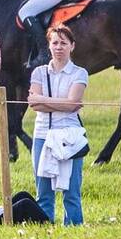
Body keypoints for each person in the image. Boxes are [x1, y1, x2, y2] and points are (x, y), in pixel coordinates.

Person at [27, 24, 88, 226]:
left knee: (71, 190)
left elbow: (73, 105)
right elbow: (35, 105)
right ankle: (45, 226)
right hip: (43, 134)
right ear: (49, 46)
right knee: (43, 189)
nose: (59, 47)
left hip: (70, 136)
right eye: (55, 42)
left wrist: (45, 100)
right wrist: (64, 103)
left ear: (72, 46)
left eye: (63, 43)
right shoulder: (38, 72)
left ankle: (74, 226)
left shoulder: (79, 73)